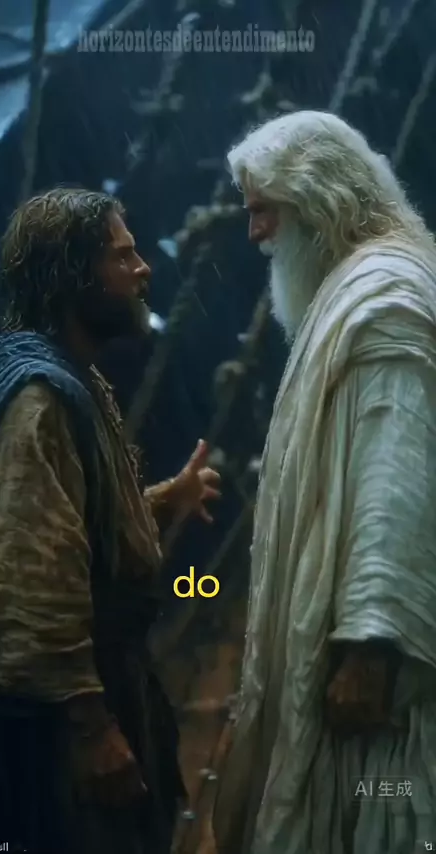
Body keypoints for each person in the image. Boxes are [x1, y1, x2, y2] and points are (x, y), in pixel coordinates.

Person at [0, 188, 221, 853]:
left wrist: (162, 500)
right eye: (122, 256)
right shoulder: (38, 401)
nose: (143, 269)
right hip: (66, 730)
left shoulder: (58, 377)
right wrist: (91, 728)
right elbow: (29, 585)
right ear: (74, 276)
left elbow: (72, 529)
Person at [212, 111, 436, 853]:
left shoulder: (387, 293)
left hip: (375, 669)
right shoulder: (358, 288)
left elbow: (396, 474)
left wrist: (372, 645)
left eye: (263, 211)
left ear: (316, 196)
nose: (255, 234)